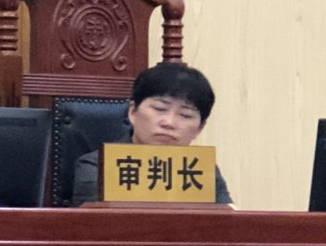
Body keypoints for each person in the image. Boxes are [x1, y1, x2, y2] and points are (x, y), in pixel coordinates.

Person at [72, 62, 232, 205]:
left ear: (199, 128)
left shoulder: (200, 170)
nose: (169, 122)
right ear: (133, 112)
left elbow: (227, 222)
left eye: (185, 115)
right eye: (160, 109)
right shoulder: (98, 165)